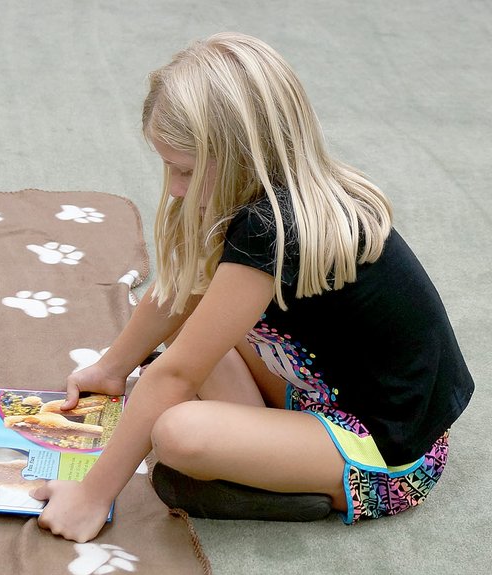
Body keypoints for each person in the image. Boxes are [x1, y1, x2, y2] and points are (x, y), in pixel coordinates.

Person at [31, 32, 475, 543]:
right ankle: (261, 450)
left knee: (177, 432)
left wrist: (90, 495)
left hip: (388, 451)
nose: (175, 188)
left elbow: (175, 377)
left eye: (184, 170)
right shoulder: (276, 191)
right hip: (324, 389)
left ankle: (288, 487)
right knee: (191, 332)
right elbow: (181, 289)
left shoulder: (274, 226)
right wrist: (112, 368)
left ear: (241, 154)